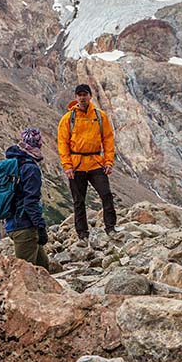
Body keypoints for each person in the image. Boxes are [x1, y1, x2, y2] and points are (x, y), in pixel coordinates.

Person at [57, 83, 117, 243]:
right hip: (76, 165)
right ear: (76, 98)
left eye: (85, 94)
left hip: (96, 162)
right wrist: (67, 166)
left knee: (106, 195)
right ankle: (82, 233)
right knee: (79, 201)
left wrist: (109, 161)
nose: (82, 97)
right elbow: (63, 143)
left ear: (90, 96)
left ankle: (111, 227)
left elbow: (108, 139)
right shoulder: (68, 118)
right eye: (79, 95)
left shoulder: (99, 116)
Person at [4, 128, 51, 269]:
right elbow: (30, 202)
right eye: (39, 141)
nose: (41, 144)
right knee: (26, 273)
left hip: (14, 224)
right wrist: (41, 227)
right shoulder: (31, 168)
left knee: (43, 268)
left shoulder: (15, 162)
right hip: (24, 227)